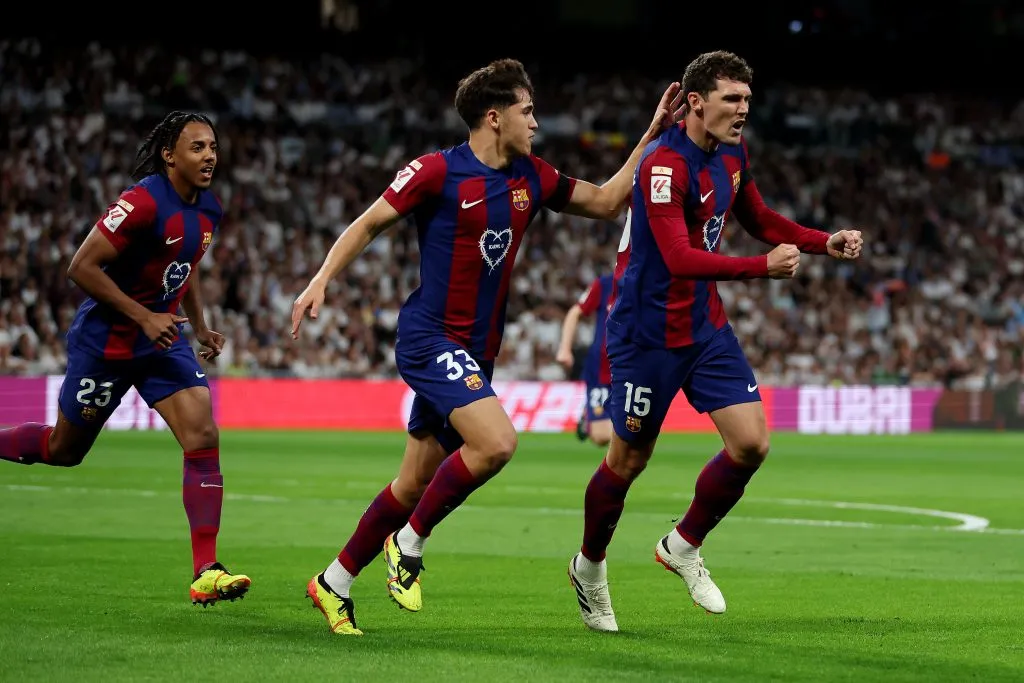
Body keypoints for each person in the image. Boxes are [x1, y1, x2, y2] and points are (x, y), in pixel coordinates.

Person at [291, 58, 683, 635]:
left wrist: (650, 138)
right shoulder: (435, 171)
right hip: (430, 338)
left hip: (476, 351)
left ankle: (335, 581)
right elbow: (370, 222)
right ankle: (409, 544)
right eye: (528, 111)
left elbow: (603, 202)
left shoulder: (533, 175)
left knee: (412, 484)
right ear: (494, 117)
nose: (536, 122)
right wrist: (322, 277)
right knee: (497, 442)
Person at [566, 51, 864, 632]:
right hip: (647, 337)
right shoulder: (662, 166)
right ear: (696, 102)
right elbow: (678, 258)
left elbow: (759, 216)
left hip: (704, 328)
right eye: (731, 99)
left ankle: (682, 545)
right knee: (627, 461)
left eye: (747, 100)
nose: (742, 110)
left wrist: (823, 241)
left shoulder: (731, 152)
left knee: (752, 443)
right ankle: (590, 567)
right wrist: (763, 268)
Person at [0, 111, 251, 607]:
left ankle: (206, 569)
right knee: (63, 449)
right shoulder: (140, 202)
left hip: (162, 341)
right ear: (169, 155)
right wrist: (143, 317)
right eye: (197, 148)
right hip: (109, 344)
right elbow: (81, 267)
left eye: (213, 147)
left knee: (203, 435)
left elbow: (187, 265)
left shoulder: (209, 209)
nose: (209, 157)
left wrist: (198, 325)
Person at [556, 273, 615, 446]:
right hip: (602, 366)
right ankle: (588, 414)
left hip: (633, 366)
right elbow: (575, 312)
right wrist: (565, 349)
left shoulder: (649, 284)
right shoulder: (605, 284)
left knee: (633, 432)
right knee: (601, 438)